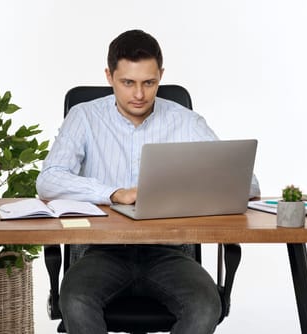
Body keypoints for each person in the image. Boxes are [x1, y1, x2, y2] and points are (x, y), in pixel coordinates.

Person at [37, 29, 260, 334]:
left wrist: (187, 190)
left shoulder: (185, 121)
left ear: (161, 76)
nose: (139, 95)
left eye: (149, 83)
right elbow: (48, 180)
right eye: (128, 82)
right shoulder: (84, 116)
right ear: (109, 76)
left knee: (207, 306)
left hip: (168, 253)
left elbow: (247, 184)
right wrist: (114, 193)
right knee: (75, 301)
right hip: (101, 253)